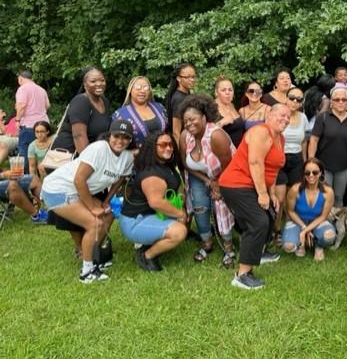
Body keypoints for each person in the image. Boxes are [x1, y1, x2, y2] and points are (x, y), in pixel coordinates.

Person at [41, 120, 135, 283]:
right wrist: (92, 207)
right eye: (116, 136)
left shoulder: (127, 157)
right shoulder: (99, 149)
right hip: (58, 189)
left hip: (76, 189)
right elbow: (79, 179)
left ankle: (98, 258)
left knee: (108, 214)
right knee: (95, 223)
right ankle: (87, 271)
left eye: (125, 137)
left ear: (130, 140)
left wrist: (106, 200)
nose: (120, 141)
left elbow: (120, 180)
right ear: (109, 136)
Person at [219, 103, 291, 289]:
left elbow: (273, 168)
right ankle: (242, 275)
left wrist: (272, 193)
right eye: (281, 115)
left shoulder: (280, 138)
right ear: (269, 115)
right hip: (236, 184)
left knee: (270, 216)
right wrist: (262, 193)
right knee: (258, 222)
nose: (285, 119)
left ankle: (258, 252)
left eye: (288, 117)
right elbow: (256, 162)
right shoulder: (261, 132)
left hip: (254, 185)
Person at [48, 67, 112, 256]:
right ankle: (80, 248)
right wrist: (90, 164)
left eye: (101, 80)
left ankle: (92, 240)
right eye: (93, 81)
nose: (98, 84)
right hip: (74, 156)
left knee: (94, 197)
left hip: (92, 154)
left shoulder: (104, 101)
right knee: (75, 198)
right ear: (85, 84)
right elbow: (79, 135)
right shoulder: (80, 102)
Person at [179, 95, 236, 267]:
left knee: (221, 207)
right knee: (200, 207)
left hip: (225, 175)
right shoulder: (185, 136)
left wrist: (217, 185)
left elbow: (229, 165)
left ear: (204, 118)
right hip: (199, 176)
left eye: (193, 119)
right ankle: (207, 243)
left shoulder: (216, 136)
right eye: (185, 121)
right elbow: (186, 164)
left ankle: (228, 247)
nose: (189, 124)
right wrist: (207, 180)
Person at [119, 131, 188, 272]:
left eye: (170, 144)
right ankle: (147, 255)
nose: (168, 148)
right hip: (135, 221)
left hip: (149, 215)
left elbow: (178, 187)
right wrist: (180, 213)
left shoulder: (165, 165)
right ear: (152, 148)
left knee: (179, 223)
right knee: (179, 232)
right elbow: (156, 202)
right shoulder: (152, 175)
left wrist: (180, 205)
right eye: (162, 145)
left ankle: (148, 244)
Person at [308, 87, 347, 207]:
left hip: (343, 167)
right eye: (337, 99)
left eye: (344, 99)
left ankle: (337, 223)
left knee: (338, 196)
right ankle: (323, 223)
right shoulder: (323, 117)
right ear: (331, 102)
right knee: (325, 195)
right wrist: (311, 161)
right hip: (324, 165)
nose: (341, 102)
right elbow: (314, 140)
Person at [273, 87, 310, 242]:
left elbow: (304, 142)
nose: (295, 101)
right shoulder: (279, 115)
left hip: (296, 159)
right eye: (292, 98)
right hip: (279, 158)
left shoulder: (303, 118)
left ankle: (291, 229)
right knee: (280, 198)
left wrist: (306, 162)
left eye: (299, 99)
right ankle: (275, 231)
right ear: (286, 98)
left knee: (293, 197)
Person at [282, 158, 336, 261]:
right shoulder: (295, 190)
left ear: (320, 173)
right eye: (307, 172)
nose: (311, 175)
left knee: (329, 236)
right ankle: (300, 244)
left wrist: (305, 230)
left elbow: (324, 216)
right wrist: (303, 227)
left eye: (315, 172)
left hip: (318, 221)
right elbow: (290, 211)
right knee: (288, 246)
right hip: (298, 221)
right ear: (303, 174)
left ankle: (318, 245)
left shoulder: (328, 192)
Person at [112, 76, 168, 149]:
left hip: (162, 154)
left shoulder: (160, 107)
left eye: (146, 88)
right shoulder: (120, 115)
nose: (142, 91)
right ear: (130, 90)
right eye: (138, 88)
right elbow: (116, 142)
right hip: (136, 157)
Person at [14, 70, 50, 173]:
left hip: (29, 125)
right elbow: (47, 106)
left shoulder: (22, 89)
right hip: (44, 125)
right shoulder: (41, 89)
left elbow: (21, 106)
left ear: (21, 78)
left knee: (25, 152)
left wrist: (17, 120)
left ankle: (24, 179)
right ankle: (42, 176)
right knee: (43, 150)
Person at [165, 63, 197, 143]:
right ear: (178, 78)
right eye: (187, 77)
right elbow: (176, 131)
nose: (192, 80)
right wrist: (181, 153)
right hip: (184, 144)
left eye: (193, 77)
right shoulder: (178, 98)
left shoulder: (186, 94)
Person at [213, 77, 244, 148]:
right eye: (223, 90)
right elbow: (206, 134)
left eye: (230, 90)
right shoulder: (212, 108)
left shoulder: (232, 105)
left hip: (239, 152)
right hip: (224, 153)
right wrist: (221, 123)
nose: (227, 92)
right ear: (216, 92)